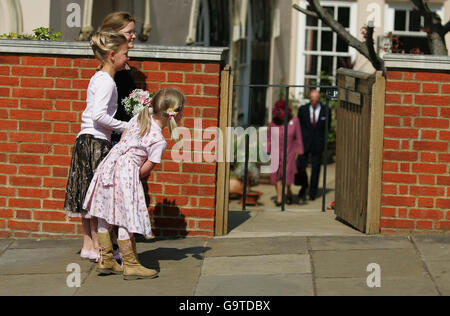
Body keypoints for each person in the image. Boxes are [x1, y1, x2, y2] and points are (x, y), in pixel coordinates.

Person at [83, 88, 185, 280]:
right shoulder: (159, 140)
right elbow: (147, 167)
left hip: (109, 164)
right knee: (126, 216)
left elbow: (123, 138)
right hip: (126, 172)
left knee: (106, 212)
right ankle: (130, 265)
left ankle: (106, 259)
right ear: (175, 113)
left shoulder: (140, 116)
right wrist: (131, 177)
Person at [64, 31, 130, 261]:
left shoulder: (99, 77)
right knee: (97, 197)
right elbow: (99, 115)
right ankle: (102, 250)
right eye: (125, 54)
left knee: (87, 195)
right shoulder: (106, 81)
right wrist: (126, 126)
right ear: (112, 55)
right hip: (95, 142)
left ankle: (90, 247)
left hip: (87, 140)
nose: (127, 58)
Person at [100, 11, 138, 140]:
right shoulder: (111, 67)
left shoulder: (124, 66)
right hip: (115, 135)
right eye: (129, 32)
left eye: (134, 32)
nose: (134, 36)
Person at [296, 90, 331, 201]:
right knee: (300, 166)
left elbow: (327, 128)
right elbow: (299, 127)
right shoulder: (303, 109)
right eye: (312, 100)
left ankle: (312, 192)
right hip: (304, 143)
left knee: (316, 169)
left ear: (319, 99)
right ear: (309, 99)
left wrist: (324, 143)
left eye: (316, 100)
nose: (314, 102)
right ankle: (304, 186)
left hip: (318, 144)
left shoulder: (326, 110)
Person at [267, 100, 304, 207]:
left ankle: (288, 192)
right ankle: (279, 198)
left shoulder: (295, 120)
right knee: (276, 175)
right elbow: (269, 137)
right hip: (275, 152)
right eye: (280, 115)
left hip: (289, 152)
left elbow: (298, 137)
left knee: (287, 175)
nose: (282, 118)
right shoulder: (273, 122)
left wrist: (300, 152)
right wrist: (268, 151)